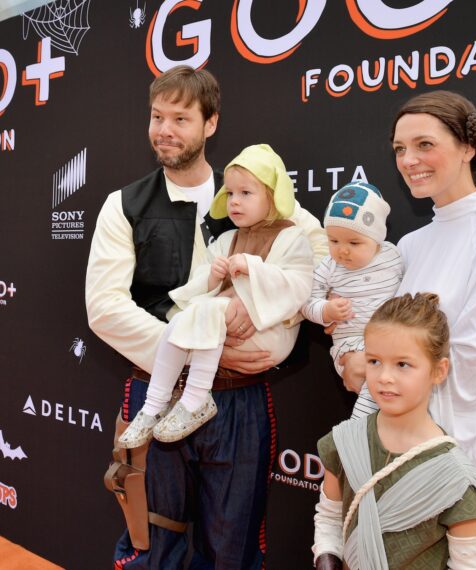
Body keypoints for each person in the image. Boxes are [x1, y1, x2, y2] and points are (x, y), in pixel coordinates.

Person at [85, 66, 327, 569]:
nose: (165, 130)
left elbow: (315, 268)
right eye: (157, 117)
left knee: (233, 550)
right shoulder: (123, 205)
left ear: (210, 123)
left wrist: (267, 315)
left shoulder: (253, 191)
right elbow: (105, 308)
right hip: (156, 389)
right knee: (152, 547)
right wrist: (197, 348)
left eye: (181, 118)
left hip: (239, 400)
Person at [340, 90, 476, 569]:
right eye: (400, 149)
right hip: (382, 451)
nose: (409, 160)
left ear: (468, 147)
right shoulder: (411, 244)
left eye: (424, 145)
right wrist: (352, 358)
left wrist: (384, 387)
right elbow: (371, 344)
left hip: (448, 455)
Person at [117, 144, 314, 448]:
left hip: (268, 336)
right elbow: (198, 288)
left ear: (273, 197)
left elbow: (300, 284)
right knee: (179, 321)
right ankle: (153, 406)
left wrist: (252, 267)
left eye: (245, 193)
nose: (234, 201)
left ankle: (195, 400)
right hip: (226, 334)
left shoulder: (293, 236)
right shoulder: (226, 239)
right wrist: (212, 276)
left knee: (208, 311)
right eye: (230, 193)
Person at [312, 293, 476, 570]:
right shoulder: (345, 442)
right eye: (374, 361)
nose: (384, 377)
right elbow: (330, 519)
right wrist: (326, 559)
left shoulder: (454, 478)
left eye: (402, 364)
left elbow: (470, 565)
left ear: (439, 370)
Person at [300, 181, 403, 419]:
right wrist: (326, 311)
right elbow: (306, 302)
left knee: (385, 387)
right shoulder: (328, 266)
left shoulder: (393, 256)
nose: (342, 250)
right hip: (350, 343)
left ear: (377, 238)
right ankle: (360, 427)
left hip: (390, 341)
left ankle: (369, 430)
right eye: (333, 241)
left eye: (354, 243)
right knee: (373, 382)